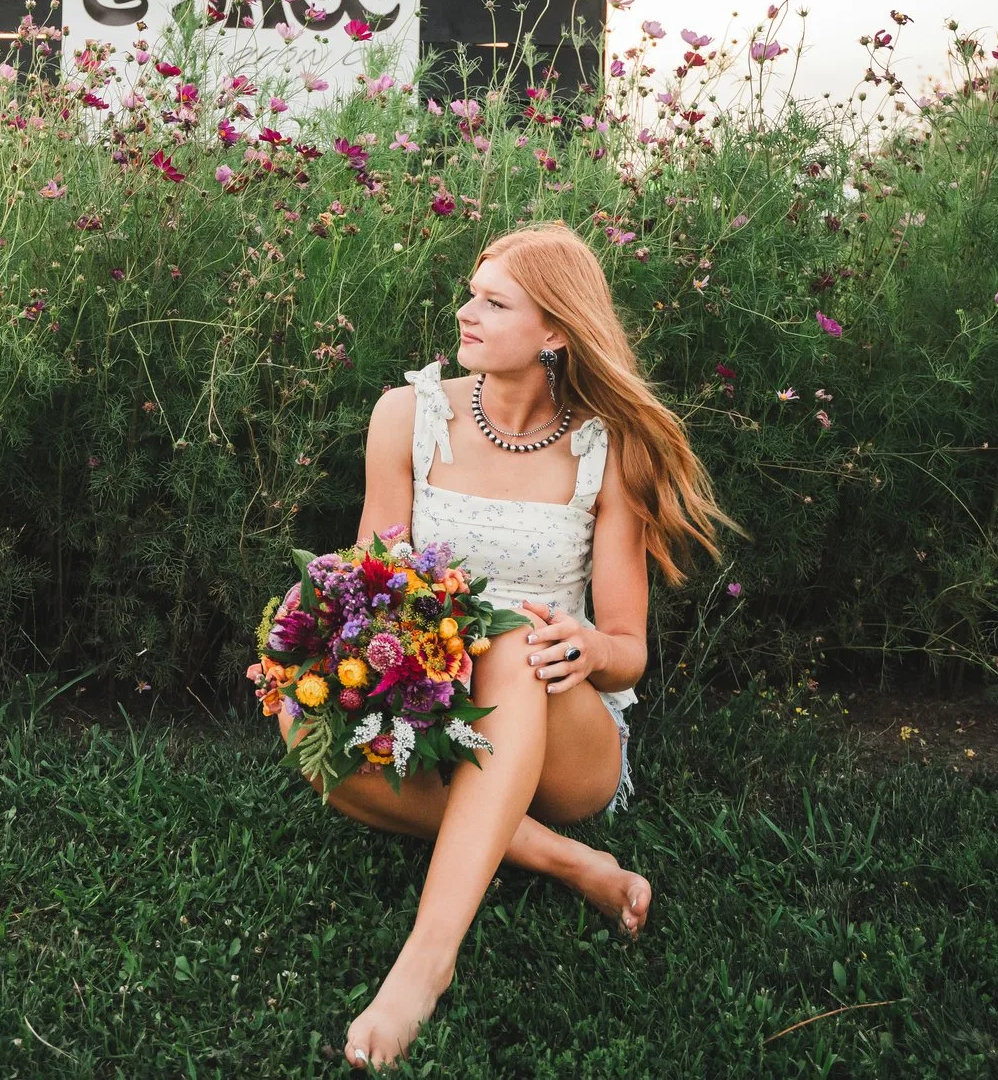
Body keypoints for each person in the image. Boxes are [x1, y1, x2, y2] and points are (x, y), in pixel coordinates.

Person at [272, 220, 739, 1071]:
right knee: (300, 721)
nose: (465, 313)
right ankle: (569, 865)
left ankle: (424, 963)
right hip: (434, 714)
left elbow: (631, 647)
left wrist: (590, 648)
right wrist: (321, 642)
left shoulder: (610, 447)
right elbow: (375, 586)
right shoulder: (407, 414)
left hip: (565, 735)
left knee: (515, 637)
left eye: (493, 302)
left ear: (554, 331)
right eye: (470, 292)